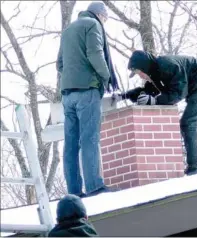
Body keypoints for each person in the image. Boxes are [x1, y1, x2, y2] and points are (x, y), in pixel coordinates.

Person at [117, 50, 197, 176]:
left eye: (140, 73)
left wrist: (154, 100)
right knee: (188, 124)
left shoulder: (167, 65)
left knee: (189, 123)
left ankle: (196, 168)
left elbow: (178, 93)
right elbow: (147, 91)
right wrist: (124, 96)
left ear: (145, 66)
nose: (141, 77)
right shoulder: (155, 74)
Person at [56, 2, 119, 197]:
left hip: (67, 94)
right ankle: (94, 186)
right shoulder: (93, 26)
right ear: (100, 15)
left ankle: (74, 191)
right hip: (87, 91)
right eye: (106, 19)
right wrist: (106, 77)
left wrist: (72, 75)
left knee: (71, 144)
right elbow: (95, 54)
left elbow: (59, 64)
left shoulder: (67, 31)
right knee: (89, 139)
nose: (104, 23)